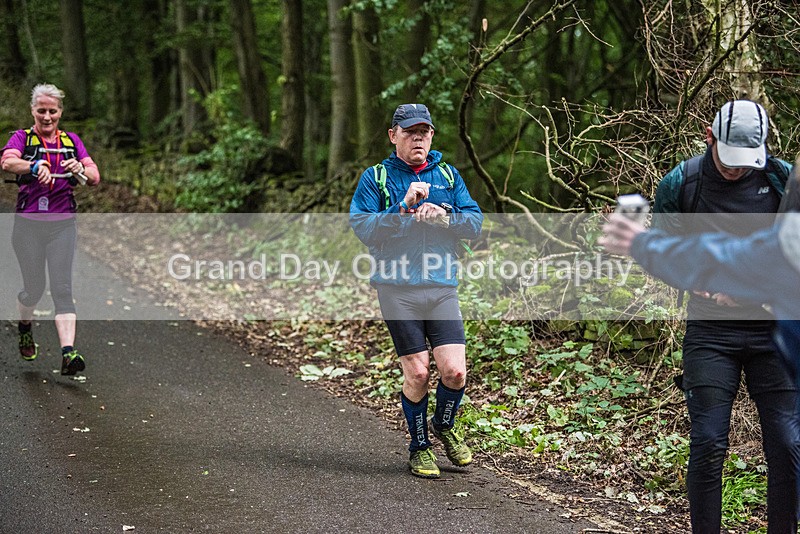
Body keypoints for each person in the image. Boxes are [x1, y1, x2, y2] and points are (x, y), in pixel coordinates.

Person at [629, 99, 799, 533]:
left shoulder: (782, 180)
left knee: (787, 442)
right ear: (709, 137)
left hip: (773, 329)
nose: (737, 170)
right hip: (710, 331)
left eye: (746, 162)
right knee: (708, 441)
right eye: (729, 160)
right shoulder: (682, 182)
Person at [350, 104, 483, 478]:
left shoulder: (447, 174)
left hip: (441, 287)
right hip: (397, 289)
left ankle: (444, 424)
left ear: (432, 137)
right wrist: (403, 206)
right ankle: (419, 446)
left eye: (424, 132)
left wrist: (446, 217)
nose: (418, 138)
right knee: (420, 374)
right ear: (394, 136)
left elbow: (474, 224)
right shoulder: (375, 177)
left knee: (455, 372)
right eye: (410, 132)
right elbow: (364, 229)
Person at [1, 83, 101, 375]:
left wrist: (79, 170)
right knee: (34, 290)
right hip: (28, 227)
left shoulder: (71, 141)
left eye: (52, 111)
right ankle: (24, 327)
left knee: (62, 288)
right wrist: (32, 167)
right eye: (41, 110)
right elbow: (7, 161)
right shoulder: (23, 138)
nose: (47, 116)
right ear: (33, 110)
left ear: (60, 112)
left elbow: (94, 176)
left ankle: (69, 354)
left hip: (62, 225)